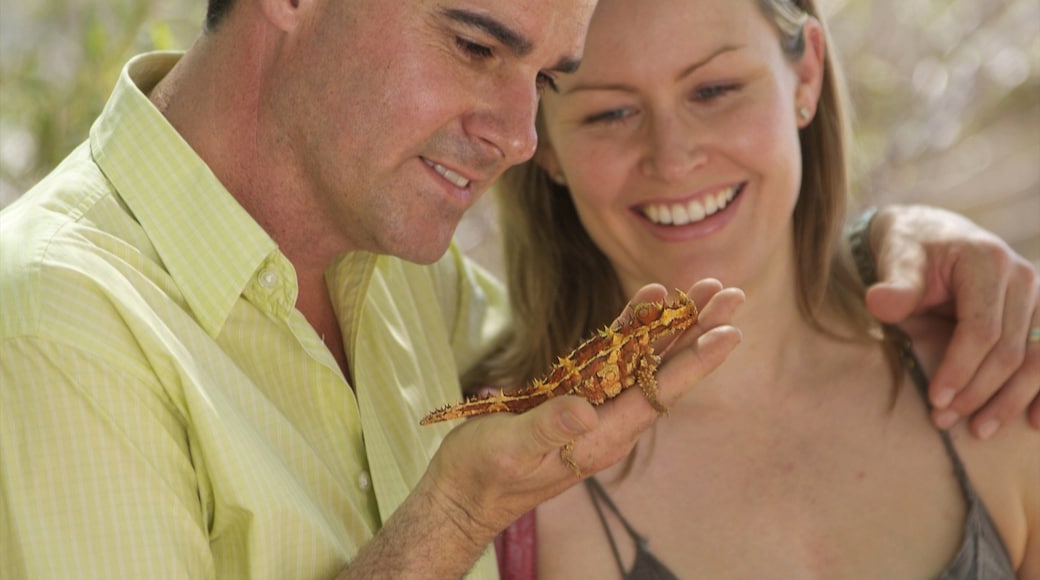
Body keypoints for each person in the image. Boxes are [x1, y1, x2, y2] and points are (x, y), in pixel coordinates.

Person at [0, 0, 1036, 578]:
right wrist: (452, 516)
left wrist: (888, 249)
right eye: (474, 44)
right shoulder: (57, 323)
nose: (518, 135)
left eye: (541, 75)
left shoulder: (403, 276)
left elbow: (652, 329)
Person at [489, 0, 1040, 577]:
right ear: (542, 138)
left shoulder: (993, 379)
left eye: (715, 90)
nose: (673, 160)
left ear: (806, 76)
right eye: (610, 113)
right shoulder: (506, 476)